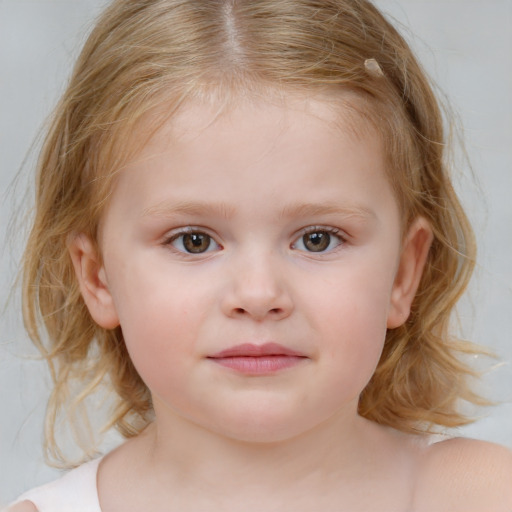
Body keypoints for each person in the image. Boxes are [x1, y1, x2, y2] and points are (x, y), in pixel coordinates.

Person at [6, 0, 512, 510]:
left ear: (404, 273)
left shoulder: (484, 495)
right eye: (193, 241)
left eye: (318, 238)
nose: (258, 294)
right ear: (98, 278)